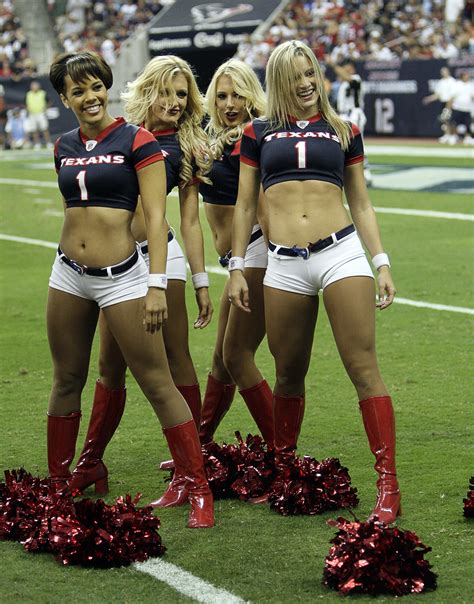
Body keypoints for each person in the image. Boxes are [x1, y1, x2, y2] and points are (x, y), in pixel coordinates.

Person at [228, 40, 400, 525]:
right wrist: (237, 265)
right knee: (288, 373)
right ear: (280, 83)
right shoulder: (256, 133)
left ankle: (388, 485)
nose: (306, 83)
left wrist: (381, 261)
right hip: (282, 263)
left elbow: (361, 203)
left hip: (340, 252)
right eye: (296, 76)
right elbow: (244, 206)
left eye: (311, 73)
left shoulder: (344, 130)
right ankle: (284, 474)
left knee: (363, 366)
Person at [46, 51, 213, 529]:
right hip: (67, 273)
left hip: (124, 275)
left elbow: (159, 221)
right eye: (78, 90)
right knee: (66, 379)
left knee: (157, 379)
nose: (89, 96)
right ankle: (59, 487)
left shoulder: (137, 140)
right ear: (66, 98)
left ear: (106, 87)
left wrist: (157, 285)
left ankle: (197, 486)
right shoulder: (62, 145)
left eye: (95, 86)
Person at [195, 58, 274, 450]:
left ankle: (283, 453)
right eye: (222, 95)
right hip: (237, 262)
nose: (230, 102)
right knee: (221, 360)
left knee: (237, 356)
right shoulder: (213, 136)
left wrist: (267, 267)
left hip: (256, 254)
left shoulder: (252, 135)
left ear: (251, 95)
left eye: (238, 94)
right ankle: (201, 443)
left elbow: (263, 206)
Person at [328, 58, 372, 186]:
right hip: (343, 115)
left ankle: (367, 174)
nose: (343, 70)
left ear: (351, 68)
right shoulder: (342, 84)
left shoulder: (356, 78)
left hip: (354, 113)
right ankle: (346, 173)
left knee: (358, 144)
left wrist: (333, 65)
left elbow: (348, 78)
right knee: (343, 145)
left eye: (346, 67)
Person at [422, 67, 456, 143]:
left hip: (450, 103)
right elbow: (437, 95)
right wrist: (428, 99)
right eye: (442, 72)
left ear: (448, 72)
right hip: (443, 102)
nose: (443, 73)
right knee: (444, 120)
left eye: (445, 71)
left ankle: (453, 136)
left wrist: (449, 105)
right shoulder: (440, 82)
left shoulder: (452, 81)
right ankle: (447, 135)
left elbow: (453, 95)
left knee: (451, 120)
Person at [446, 71, 474, 145]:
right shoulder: (457, 85)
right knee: (453, 123)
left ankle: (468, 138)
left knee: (468, 124)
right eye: (465, 76)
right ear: (462, 77)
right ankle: (453, 137)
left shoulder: (471, 85)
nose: (467, 77)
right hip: (457, 108)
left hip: (467, 109)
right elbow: (451, 97)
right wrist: (448, 109)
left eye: (468, 76)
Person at [25, 80, 53, 149]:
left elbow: (49, 101)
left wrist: (46, 108)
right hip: (32, 114)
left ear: (38, 86)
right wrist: (28, 109)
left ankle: (48, 143)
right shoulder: (28, 94)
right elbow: (25, 103)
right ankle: (37, 144)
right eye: (33, 86)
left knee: (45, 129)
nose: (34, 87)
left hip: (41, 113)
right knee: (34, 130)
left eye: (35, 85)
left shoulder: (42, 93)